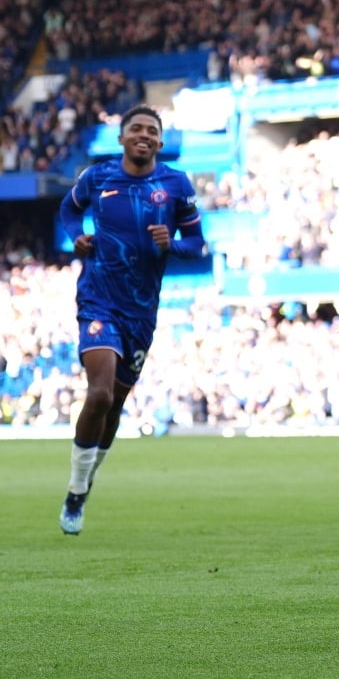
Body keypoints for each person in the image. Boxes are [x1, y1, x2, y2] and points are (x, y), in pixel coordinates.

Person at [57, 104, 207, 534]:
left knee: (116, 405)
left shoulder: (176, 185)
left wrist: (171, 245)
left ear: (160, 141)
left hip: (141, 311)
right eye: (136, 128)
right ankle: (75, 491)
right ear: (121, 138)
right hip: (98, 299)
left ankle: (86, 479)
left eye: (152, 130)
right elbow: (69, 211)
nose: (144, 135)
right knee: (100, 395)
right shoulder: (98, 177)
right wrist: (76, 236)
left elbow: (197, 243)